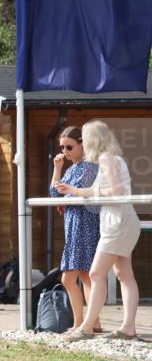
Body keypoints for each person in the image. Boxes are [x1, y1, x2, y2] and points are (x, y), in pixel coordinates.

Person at [57, 121, 142, 342]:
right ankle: (128, 327)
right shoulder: (113, 159)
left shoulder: (105, 159)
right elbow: (106, 189)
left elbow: (116, 189)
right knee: (125, 275)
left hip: (116, 221)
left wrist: (88, 193)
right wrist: (75, 191)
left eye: (85, 138)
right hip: (124, 219)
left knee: (95, 273)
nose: (83, 143)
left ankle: (86, 327)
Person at [48, 126, 101, 331]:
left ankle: (84, 322)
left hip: (85, 223)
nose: (65, 151)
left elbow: (73, 194)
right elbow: (56, 195)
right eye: (62, 147)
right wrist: (57, 169)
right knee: (79, 276)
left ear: (81, 143)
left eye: (69, 147)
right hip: (73, 225)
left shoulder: (88, 166)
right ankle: (90, 322)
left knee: (78, 275)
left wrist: (66, 197)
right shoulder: (71, 169)